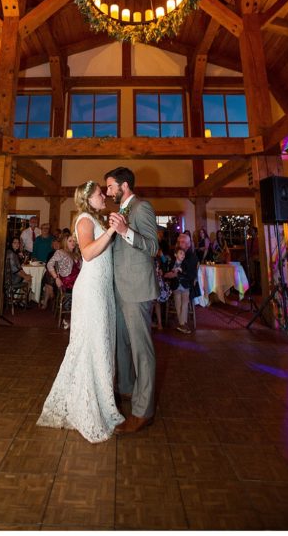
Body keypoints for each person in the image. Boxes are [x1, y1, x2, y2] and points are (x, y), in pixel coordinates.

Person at [37, 182, 125, 442]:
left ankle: (101, 400)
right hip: (91, 290)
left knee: (102, 344)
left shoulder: (95, 218)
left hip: (103, 288)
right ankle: (87, 407)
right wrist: (111, 230)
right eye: (100, 194)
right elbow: (87, 253)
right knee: (92, 344)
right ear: (88, 199)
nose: (104, 196)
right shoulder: (85, 219)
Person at [105, 166, 159, 434]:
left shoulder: (142, 207)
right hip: (120, 289)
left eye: (110, 187)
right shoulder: (121, 211)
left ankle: (143, 411)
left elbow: (153, 247)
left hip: (137, 290)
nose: (107, 192)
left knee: (141, 351)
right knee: (120, 345)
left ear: (124, 186)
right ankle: (126, 390)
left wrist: (126, 231)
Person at [165, 233, 199, 334]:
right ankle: (182, 324)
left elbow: (189, 274)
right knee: (178, 303)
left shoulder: (191, 256)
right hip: (176, 286)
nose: (180, 243)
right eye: (179, 242)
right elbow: (169, 268)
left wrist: (173, 274)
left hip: (188, 286)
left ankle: (182, 324)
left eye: (183, 242)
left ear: (189, 244)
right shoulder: (176, 254)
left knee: (183, 304)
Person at [46, 233, 81, 318]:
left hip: (77, 281)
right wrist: (56, 278)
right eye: (70, 241)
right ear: (65, 242)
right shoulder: (60, 252)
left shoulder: (77, 254)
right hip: (68, 282)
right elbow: (49, 264)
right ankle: (72, 317)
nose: (73, 243)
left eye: (74, 241)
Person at [4, 237, 33, 306]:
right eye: (15, 243)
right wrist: (25, 276)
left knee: (28, 278)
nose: (17, 244)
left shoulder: (14, 253)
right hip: (10, 279)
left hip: (12, 276)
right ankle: (22, 302)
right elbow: (15, 270)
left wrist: (26, 275)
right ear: (11, 244)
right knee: (28, 279)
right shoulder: (10, 253)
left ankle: (20, 300)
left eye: (18, 243)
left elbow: (19, 268)